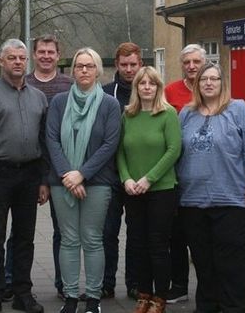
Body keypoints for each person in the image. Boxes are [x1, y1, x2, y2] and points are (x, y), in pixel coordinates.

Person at [177, 63, 245, 313]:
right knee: (204, 263)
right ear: (197, 84)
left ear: (222, 82)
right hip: (192, 202)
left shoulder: (237, 110)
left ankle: (235, 308)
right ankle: (207, 308)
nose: (208, 83)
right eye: (203, 79)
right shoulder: (186, 113)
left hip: (232, 202)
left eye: (214, 79)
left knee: (232, 264)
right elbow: (175, 151)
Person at [0, 39, 50, 313]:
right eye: (12, 58)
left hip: (29, 175)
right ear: (1, 61)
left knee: (25, 237)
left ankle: (22, 293)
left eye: (22, 58)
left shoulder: (38, 97)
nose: (18, 62)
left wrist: (43, 181)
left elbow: (44, 142)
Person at [46, 48, 121, 313]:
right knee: (68, 239)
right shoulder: (59, 102)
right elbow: (52, 139)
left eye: (90, 66)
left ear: (98, 70)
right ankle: (69, 297)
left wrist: (82, 174)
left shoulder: (109, 105)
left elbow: (110, 144)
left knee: (91, 239)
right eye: (79, 66)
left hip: (98, 181)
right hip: (62, 181)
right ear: (73, 70)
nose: (84, 71)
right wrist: (69, 174)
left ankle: (92, 299)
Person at [117, 66, 182, 313]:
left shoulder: (168, 115)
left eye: (151, 84)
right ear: (136, 88)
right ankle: (143, 293)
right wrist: (126, 179)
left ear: (158, 87)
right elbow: (120, 151)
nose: (146, 87)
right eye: (142, 83)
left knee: (157, 245)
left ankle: (160, 297)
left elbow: (173, 150)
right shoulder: (128, 116)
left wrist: (149, 179)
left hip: (161, 190)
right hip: (133, 191)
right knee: (138, 245)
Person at [18, 34, 74, 300]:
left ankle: (64, 284)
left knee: (62, 231)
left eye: (51, 52)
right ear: (34, 54)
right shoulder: (23, 84)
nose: (46, 56)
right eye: (41, 51)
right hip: (29, 168)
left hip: (62, 167)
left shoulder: (69, 85)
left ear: (58, 54)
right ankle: (13, 282)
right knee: (20, 230)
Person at [162, 43, 207, 303]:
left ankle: (208, 288)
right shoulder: (170, 92)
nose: (191, 66)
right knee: (176, 235)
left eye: (196, 62)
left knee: (202, 238)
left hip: (205, 174)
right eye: (187, 62)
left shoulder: (214, 89)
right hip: (176, 173)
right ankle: (178, 286)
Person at [100, 42, 142, 300]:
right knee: (108, 233)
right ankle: (106, 283)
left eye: (133, 65)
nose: (129, 69)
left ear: (141, 65)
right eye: (124, 65)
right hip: (109, 175)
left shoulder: (149, 92)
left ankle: (134, 283)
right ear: (116, 65)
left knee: (136, 233)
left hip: (139, 176)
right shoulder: (105, 93)